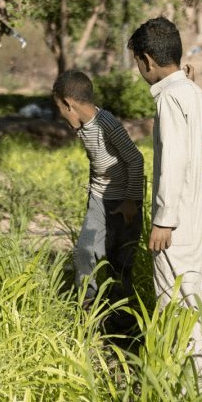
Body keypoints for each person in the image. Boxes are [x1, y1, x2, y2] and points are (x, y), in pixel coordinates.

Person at [128, 17, 202, 387]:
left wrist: (163, 219)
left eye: (137, 63)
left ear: (148, 60)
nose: (139, 70)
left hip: (178, 215)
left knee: (175, 304)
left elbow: (174, 160)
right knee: (190, 297)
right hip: (200, 207)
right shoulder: (192, 93)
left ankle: (190, 394)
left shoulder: (168, 98)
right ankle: (196, 389)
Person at [52, 70, 144, 328]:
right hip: (99, 201)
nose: (60, 114)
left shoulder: (108, 125)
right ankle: (88, 308)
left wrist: (130, 201)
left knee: (120, 261)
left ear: (70, 105)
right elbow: (97, 164)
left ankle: (122, 323)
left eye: (60, 108)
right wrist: (93, 195)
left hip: (124, 203)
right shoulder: (83, 127)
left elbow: (136, 160)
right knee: (84, 251)